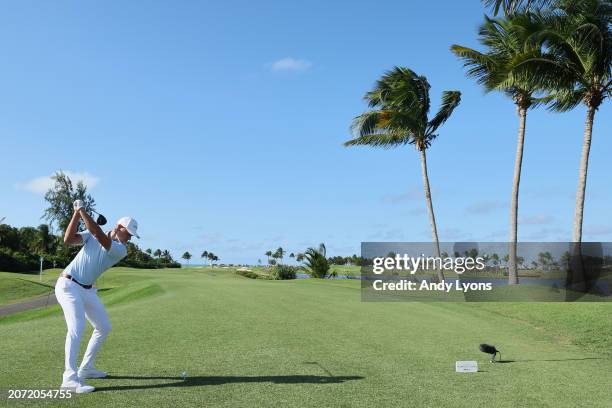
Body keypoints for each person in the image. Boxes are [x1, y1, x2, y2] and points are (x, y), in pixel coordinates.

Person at [55, 200, 139, 393]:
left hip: (87, 290)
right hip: (68, 285)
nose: (130, 239)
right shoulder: (91, 235)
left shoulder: (120, 249)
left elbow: (98, 235)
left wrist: (82, 210)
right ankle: (69, 379)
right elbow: (68, 240)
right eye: (128, 234)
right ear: (119, 228)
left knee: (103, 327)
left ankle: (86, 369)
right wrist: (77, 213)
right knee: (76, 329)